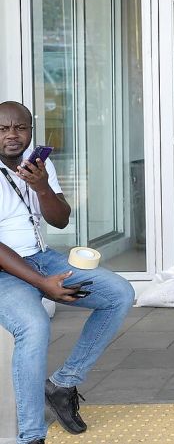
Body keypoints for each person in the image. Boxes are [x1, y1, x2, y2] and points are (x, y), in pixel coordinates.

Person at [0, 100, 135, 444]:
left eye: (20, 128)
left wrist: (42, 186)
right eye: (3, 129)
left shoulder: (38, 165)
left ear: (31, 131)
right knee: (34, 326)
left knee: (119, 294)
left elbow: (60, 219)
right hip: (5, 272)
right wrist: (41, 283)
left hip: (42, 258)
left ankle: (63, 384)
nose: (12, 135)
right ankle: (31, 436)